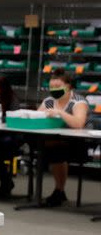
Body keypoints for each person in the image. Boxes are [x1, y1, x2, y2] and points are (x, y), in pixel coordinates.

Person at [37, 68, 90, 207]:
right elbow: (38, 117)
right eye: (51, 86)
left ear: (68, 86)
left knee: (56, 151)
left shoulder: (78, 101)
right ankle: (59, 191)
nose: (54, 89)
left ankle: (59, 191)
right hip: (53, 141)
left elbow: (78, 123)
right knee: (50, 148)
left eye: (57, 86)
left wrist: (60, 112)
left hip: (76, 143)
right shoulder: (49, 101)